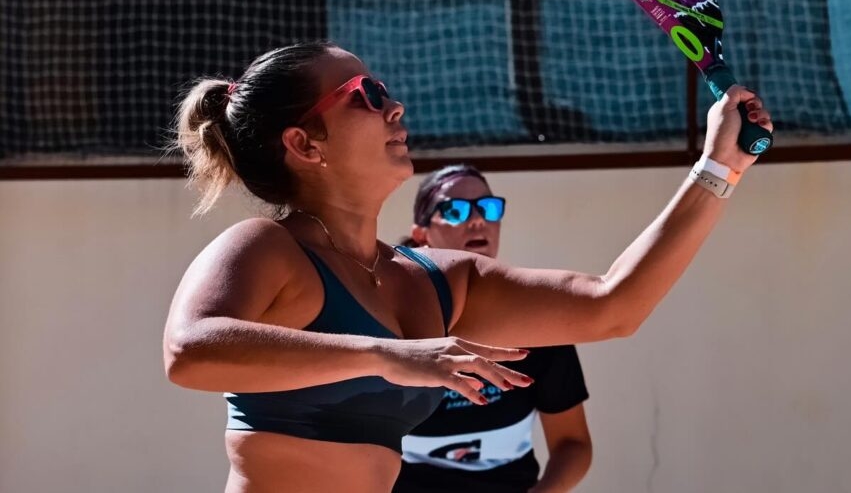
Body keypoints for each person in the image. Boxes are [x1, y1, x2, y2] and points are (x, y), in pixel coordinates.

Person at [162, 40, 773, 493]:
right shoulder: (266, 247)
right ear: (304, 144)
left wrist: (719, 168)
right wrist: (391, 355)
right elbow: (189, 353)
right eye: (367, 96)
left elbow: (614, 306)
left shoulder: (435, 278)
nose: (394, 107)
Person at [394, 165, 592, 493]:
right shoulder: (386, 318)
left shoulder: (539, 322)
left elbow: (573, 444)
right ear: (421, 235)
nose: (477, 220)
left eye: (488, 208)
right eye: (454, 210)